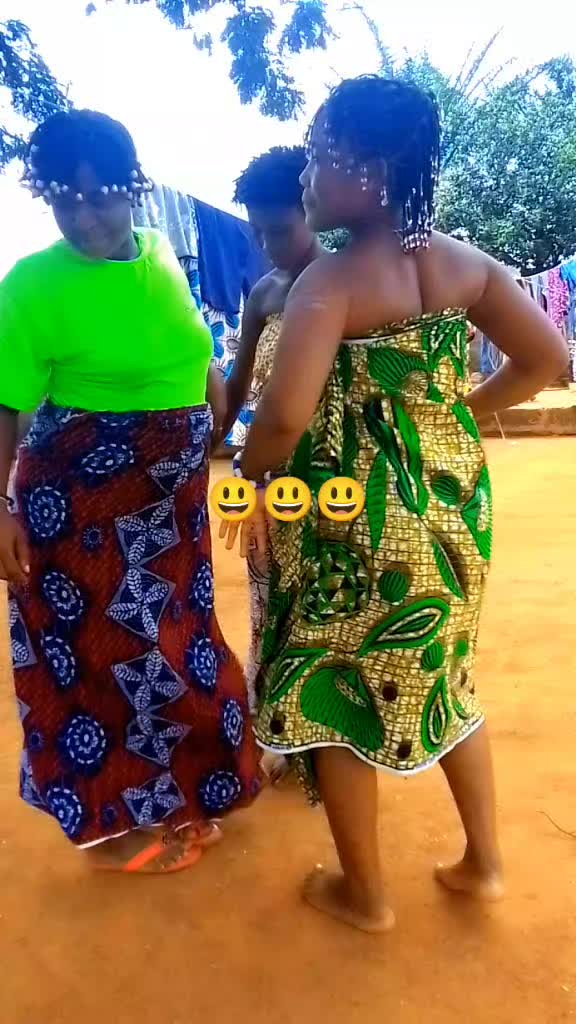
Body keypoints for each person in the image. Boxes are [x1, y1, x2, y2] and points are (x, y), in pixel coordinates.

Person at [230, 76, 568, 930]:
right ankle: (484, 865)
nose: (306, 175)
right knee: (446, 681)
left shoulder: (330, 282)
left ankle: (367, 896)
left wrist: (251, 475)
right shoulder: (467, 266)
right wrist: (453, 417)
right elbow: (547, 360)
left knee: (334, 687)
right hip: (452, 514)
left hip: (349, 520)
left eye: (320, 156)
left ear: (373, 174)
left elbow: (283, 416)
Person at [0, 109, 260, 873]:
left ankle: (193, 790)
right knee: (112, 658)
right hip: (82, 508)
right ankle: (132, 816)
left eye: (100, 196)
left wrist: (216, 395)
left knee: (181, 645)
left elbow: (186, 348)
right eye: (64, 199)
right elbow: (6, 408)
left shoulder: (160, 255)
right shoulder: (31, 285)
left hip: (172, 507)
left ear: (134, 187)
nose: (85, 218)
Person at [220, 147, 324, 730]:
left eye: (279, 230)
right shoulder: (263, 293)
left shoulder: (344, 283)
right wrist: (215, 437)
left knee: (321, 596)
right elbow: (239, 381)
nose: (267, 243)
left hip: (329, 468)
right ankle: (275, 722)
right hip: (265, 470)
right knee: (269, 594)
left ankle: (320, 724)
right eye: (256, 231)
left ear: (312, 208)